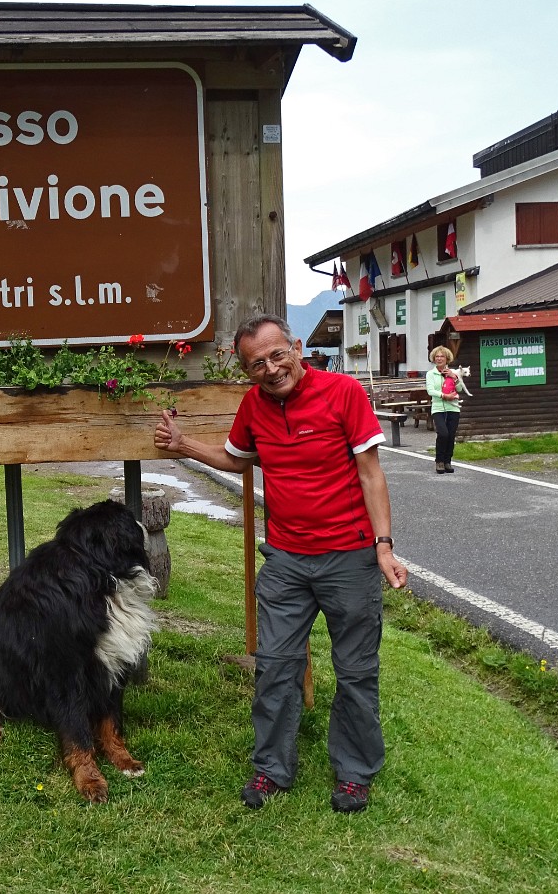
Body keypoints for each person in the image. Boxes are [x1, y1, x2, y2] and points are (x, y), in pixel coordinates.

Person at [153, 314, 409, 813]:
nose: (270, 369)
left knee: (355, 671)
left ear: (296, 347)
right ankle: (272, 769)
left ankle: (355, 773)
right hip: (287, 560)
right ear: (246, 370)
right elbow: (238, 457)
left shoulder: (343, 393)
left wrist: (383, 546)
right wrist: (183, 445)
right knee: (274, 667)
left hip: (349, 558)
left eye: (277, 355)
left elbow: (371, 475)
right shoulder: (254, 405)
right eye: (256, 364)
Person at [426, 345, 462, 474]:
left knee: (451, 435)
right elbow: (430, 390)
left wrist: (454, 377)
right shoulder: (430, 374)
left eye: (442, 356)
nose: (439, 359)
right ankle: (439, 461)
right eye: (437, 356)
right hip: (438, 408)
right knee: (443, 433)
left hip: (453, 407)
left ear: (447, 359)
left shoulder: (453, 373)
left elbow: (459, 389)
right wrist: (444, 395)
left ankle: (447, 461)